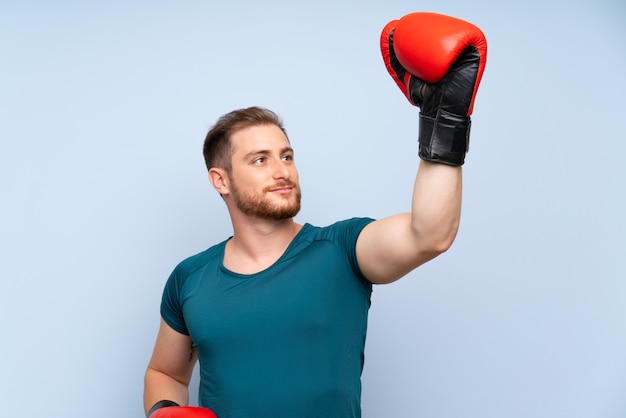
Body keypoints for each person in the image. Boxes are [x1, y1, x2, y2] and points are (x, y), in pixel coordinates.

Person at [143, 11, 487, 418]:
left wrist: (444, 120)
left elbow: (429, 234)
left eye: (286, 156)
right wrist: (163, 410)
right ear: (221, 181)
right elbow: (164, 372)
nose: (281, 170)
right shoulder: (190, 278)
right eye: (259, 160)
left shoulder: (340, 250)